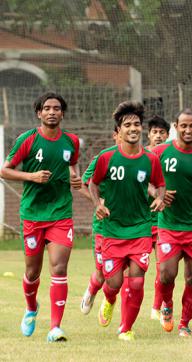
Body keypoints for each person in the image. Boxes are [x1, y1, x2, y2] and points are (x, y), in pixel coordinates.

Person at [2, 92, 81, 342]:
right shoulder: (27, 140)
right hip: (33, 214)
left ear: (62, 113)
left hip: (60, 213)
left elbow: (72, 167)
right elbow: (4, 170)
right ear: (39, 113)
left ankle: (55, 327)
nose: (52, 112)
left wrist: (75, 178)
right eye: (47, 108)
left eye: (56, 108)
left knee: (59, 266)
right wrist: (31, 177)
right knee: (32, 272)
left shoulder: (72, 141)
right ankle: (31, 308)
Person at [90, 101, 166, 341]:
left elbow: (160, 184)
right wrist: (98, 204)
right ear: (119, 131)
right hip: (113, 230)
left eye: (136, 124)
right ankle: (109, 298)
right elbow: (92, 183)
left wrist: (160, 198)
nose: (133, 128)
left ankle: (126, 328)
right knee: (113, 282)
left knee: (136, 281)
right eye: (127, 125)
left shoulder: (151, 159)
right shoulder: (106, 157)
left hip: (141, 228)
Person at [154, 109, 192, 337]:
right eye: (183, 126)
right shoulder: (160, 152)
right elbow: (146, 180)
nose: (188, 130)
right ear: (175, 126)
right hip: (169, 226)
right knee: (166, 274)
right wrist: (157, 194)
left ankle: (184, 323)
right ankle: (167, 305)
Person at [80, 127, 120, 315]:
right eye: (124, 129)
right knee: (103, 272)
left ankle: (113, 305)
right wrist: (99, 202)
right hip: (104, 227)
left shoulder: (142, 158)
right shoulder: (103, 158)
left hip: (132, 226)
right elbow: (82, 185)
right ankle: (92, 290)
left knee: (129, 274)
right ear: (115, 135)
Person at [146, 115, 171, 320]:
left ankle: (157, 306)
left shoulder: (170, 156)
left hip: (163, 220)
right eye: (154, 132)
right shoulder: (141, 155)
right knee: (133, 268)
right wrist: (157, 193)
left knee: (162, 267)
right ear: (148, 134)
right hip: (142, 221)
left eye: (162, 132)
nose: (158, 136)